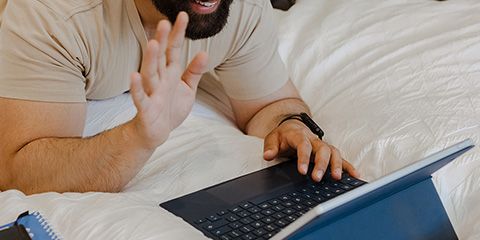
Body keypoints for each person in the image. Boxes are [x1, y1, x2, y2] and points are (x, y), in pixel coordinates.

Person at [0, 0, 359, 195]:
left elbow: (270, 106)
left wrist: (291, 127)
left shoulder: (239, 8)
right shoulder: (56, 13)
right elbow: (20, 169)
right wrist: (138, 138)